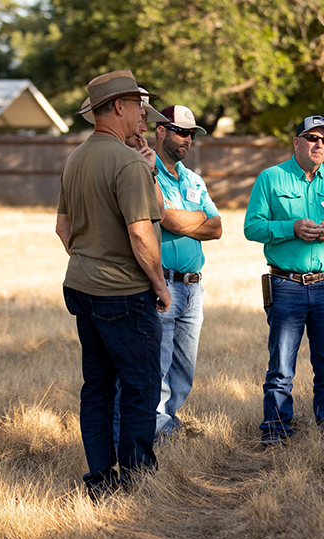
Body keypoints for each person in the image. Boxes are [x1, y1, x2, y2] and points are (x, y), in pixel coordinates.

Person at [55, 70, 170, 498]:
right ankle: (136, 481)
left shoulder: (76, 158)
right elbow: (142, 234)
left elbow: (63, 227)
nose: (143, 112)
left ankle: (100, 481)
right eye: (138, 104)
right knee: (140, 386)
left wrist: (88, 258)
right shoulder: (126, 163)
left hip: (81, 288)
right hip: (123, 293)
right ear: (118, 106)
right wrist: (159, 284)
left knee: (98, 387)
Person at [243, 115, 324, 448]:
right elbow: (252, 227)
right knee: (281, 367)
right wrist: (290, 228)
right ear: (297, 141)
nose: (319, 145)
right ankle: (276, 430)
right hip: (286, 286)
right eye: (312, 138)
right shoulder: (271, 179)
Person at [151, 105, 222, 438]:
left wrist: (181, 219)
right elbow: (166, 218)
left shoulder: (193, 179)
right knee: (159, 363)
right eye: (181, 131)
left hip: (193, 287)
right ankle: (158, 429)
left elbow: (218, 227)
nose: (187, 139)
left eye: (191, 134)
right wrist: (193, 218)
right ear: (161, 131)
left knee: (184, 367)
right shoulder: (147, 173)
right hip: (162, 282)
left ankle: (170, 420)